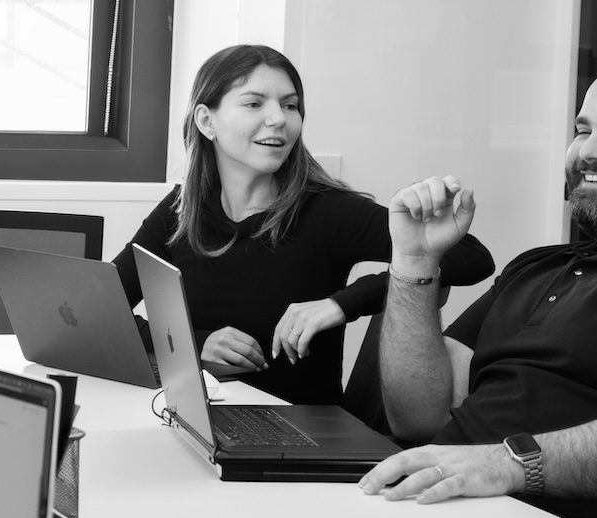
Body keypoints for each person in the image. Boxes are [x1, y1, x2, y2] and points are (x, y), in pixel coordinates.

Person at [359, 60, 597, 518]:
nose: (588, 151)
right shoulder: (539, 265)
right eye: (583, 129)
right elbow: (418, 415)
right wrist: (414, 260)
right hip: (436, 511)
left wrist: (507, 464)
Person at [113, 45, 494, 405]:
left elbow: (472, 257)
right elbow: (103, 310)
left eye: (290, 105)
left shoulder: (326, 211)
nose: (279, 119)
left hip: (302, 432)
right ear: (206, 121)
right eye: (254, 103)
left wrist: (342, 304)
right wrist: (195, 343)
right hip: (202, 418)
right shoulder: (182, 211)